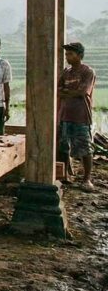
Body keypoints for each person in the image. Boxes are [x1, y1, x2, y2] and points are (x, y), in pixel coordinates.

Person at [58, 42, 97, 191]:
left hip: (81, 116)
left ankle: (87, 179)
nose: (67, 56)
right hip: (65, 115)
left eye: (70, 54)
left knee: (85, 148)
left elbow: (82, 92)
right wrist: (69, 92)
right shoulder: (66, 72)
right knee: (64, 147)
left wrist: (67, 92)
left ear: (79, 55)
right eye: (66, 54)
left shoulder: (88, 72)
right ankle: (65, 176)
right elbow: (58, 91)